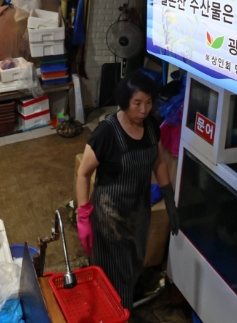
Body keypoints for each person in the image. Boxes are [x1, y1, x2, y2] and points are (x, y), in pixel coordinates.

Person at [75, 71, 179, 309]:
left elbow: (159, 162)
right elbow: (84, 173)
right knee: (113, 271)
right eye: (137, 103)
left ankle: (120, 306)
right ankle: (117, 312)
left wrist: (170, 201)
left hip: (139, 212)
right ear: (124, 103)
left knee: (134, 264)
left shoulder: (151, 126)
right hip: (109, 215)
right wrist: (83, 214)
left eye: (149, 102)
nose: (144, 110)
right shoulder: (107, 133)